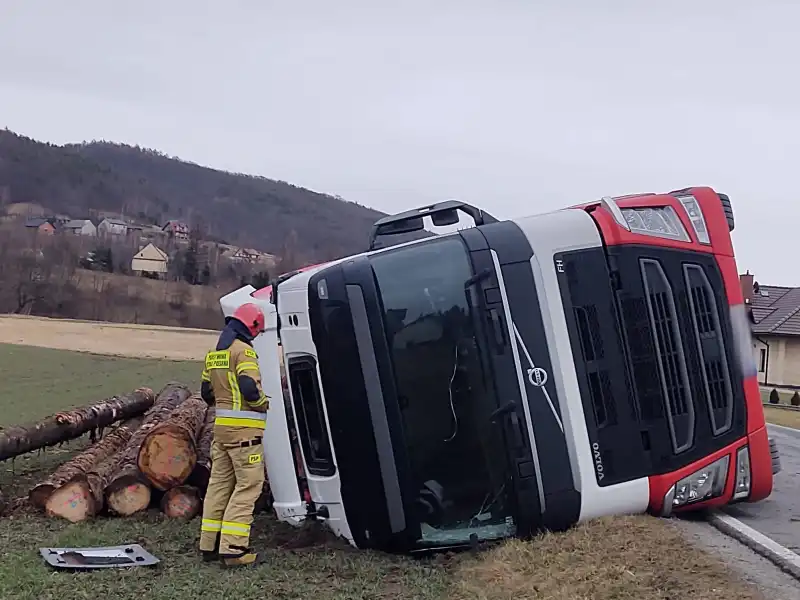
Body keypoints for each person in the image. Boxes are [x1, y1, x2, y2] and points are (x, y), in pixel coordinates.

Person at [198, 302, 270, 568]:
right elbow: (250, 388)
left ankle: (209, 545)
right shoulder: (244, 352)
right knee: (247, 487)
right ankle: (234, 549)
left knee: (218, 486)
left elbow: (206, 393)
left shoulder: (214, 353)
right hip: (245, 435)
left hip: (222, 432)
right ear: (251, 327)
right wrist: (263, 403)